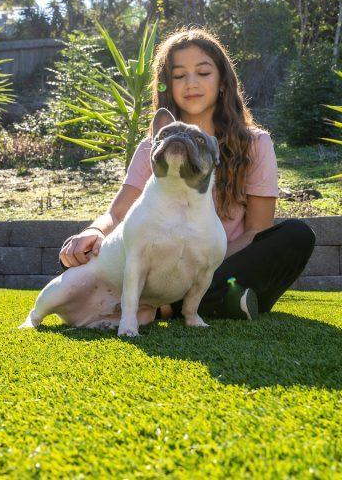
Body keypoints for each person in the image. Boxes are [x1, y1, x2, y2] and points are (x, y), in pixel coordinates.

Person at [58, 26, 316, 321]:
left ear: (222, 82)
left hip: (219, 264)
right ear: (167, 86)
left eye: (203, 72)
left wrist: (197, 262)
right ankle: (218, 303)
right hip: (156, 266)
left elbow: (255, 232)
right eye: (179, 76)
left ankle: (177, 304)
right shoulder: (153, 146)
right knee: (74, 259)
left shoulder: (256, 143)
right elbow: (117, 215)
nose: (191, 83)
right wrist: (92, 233)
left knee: (297, 236)